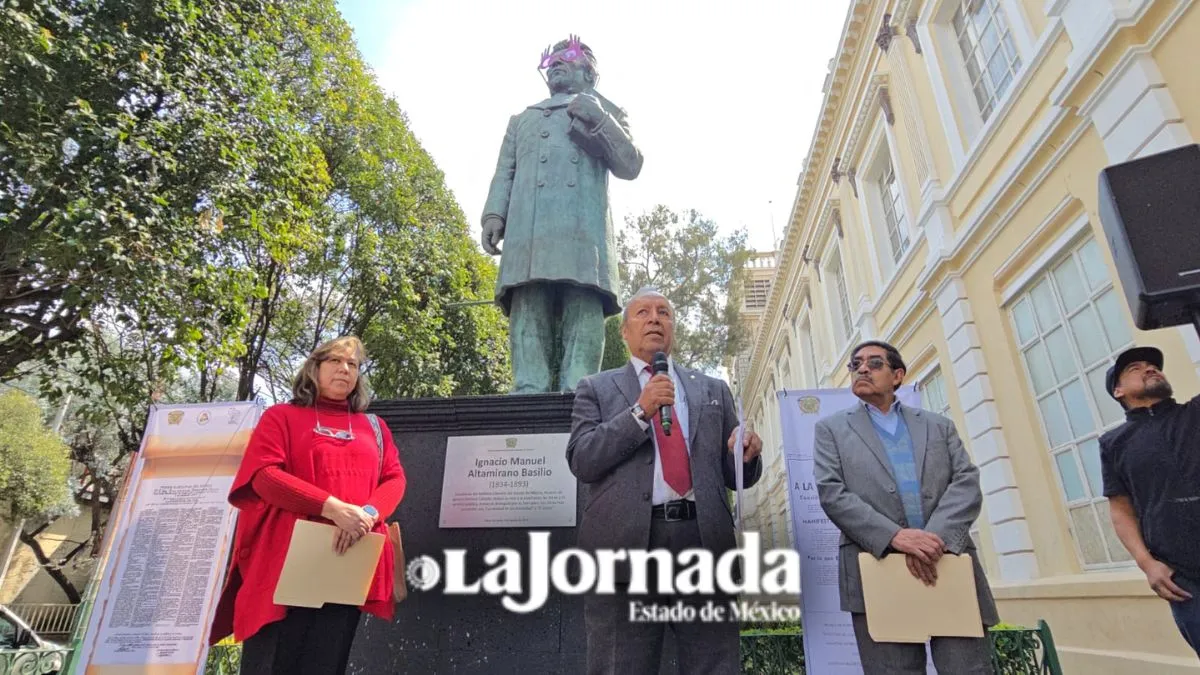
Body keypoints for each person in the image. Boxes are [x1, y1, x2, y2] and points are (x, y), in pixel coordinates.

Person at [566, 287, 763, 675]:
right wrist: (641, 411)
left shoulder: (712, 389)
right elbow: (583, 459)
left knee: (716, 665)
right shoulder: (597, 387)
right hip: (626, 549)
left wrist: (745, 454)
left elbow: (733, 475)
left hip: (703, 543)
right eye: (642, 312)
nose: (654, 318)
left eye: (663, 312)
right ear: (624, 331)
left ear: (673, 327)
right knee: (622, 665)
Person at [208, 336, 407, 675]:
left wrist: (366, 516)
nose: (344, 369)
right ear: (314, 368)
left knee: (327, 662)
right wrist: (334, 509)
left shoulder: (374, 427)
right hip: (284, 565)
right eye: (335, 361)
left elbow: (394, 479)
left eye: (353, 365)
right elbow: (263, 476)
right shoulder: (281, 417)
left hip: (348, 562)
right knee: (274, 662)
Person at [812, 340, 997, 674]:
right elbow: (831, 493)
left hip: (946, 562)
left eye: (874, 363)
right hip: (877, 567)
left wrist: (931, 541)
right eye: (856, 364)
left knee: (968, 669)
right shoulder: (831, 431)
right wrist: (896, 537)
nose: (862, 368)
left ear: (897, 375)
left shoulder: (938, 425)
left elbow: (966, 482)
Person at [481, 35, 644, 393]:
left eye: (566, 57)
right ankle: (528, 385)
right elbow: (504, 170)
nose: (555, 63)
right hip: (529, 229)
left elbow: (630, 164)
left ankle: (579, 387)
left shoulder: (607, 112)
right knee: (528, 303)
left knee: (583, 304)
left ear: (590, 73)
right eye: (550, 60)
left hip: (582, 230)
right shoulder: (522, 119)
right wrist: (494, 214)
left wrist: (598, 118)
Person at [1100, 345, 1200, 657]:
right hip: (1183, 580)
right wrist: (1148, 565)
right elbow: (1120, 510)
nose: (1149, 369)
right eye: (1135, 368)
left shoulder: (1195, 414)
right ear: (1118, 391)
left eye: (1152, 365)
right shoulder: (1113, 443)